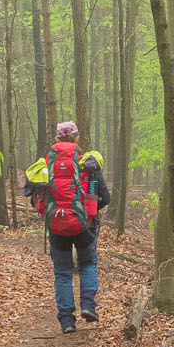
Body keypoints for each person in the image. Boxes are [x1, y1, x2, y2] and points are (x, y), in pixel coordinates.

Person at [26, 121, 112, 334]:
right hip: (85, 227)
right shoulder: (88, 163)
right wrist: (89, 213)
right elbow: (106, 197)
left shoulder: (44, 165)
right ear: (77, 138)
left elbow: (33, 198)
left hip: (56, 227)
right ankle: (88, 306)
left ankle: (66, 321)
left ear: (56, 139)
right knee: (87, 264)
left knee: (63, 273)